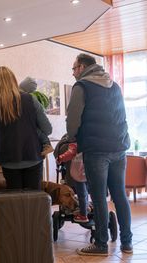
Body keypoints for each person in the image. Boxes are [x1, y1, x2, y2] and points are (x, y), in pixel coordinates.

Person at [67, 53, 132, 256]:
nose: (73, 72)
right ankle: (127, 243)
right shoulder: (114, 86)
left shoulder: (82, 87)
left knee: (99, 196)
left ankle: (101, 244)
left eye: (74, 68)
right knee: (120, 194)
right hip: (119, 147)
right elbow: (121, 115)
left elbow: (72, 120)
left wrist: (72, 139)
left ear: (83, 67)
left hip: (96, 150)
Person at [0, 66, 52, 190]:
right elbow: (48, 129)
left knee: (15, 202)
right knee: (34, 200)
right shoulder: (30, 99)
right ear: (14, 80)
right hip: (32, 156)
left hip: (8, 159)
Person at [19, 76, 54, 156]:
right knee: (35, 128)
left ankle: (47, 144)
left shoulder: (5, 100)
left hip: (11, 153)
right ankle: (47, 144)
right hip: (32, 152)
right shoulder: (31, 99)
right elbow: (47, 129)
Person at [57, 141, 89, 223]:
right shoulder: (93, 142)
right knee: (86, 194)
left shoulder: (75, 145)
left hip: (79, 175)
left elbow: (69, 154)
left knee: (82, 194)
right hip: (91, 174)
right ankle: (87, 207)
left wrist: (60, 158)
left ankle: (83, 215)